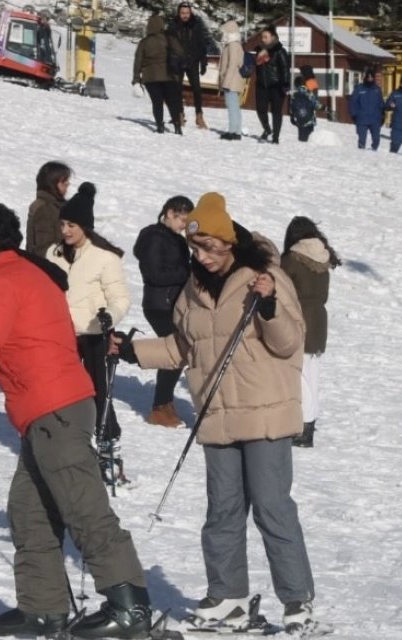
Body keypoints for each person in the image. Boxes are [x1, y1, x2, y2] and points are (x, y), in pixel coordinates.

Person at [0, 203, 153, 640]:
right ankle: (42, 609)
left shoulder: (4, 281)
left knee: (83, 507)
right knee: (28, 510)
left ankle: (128, 607)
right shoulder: (30, 273)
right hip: (49, 409)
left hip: (54, 408)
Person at [111, 193, 316, 633]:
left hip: (264, 413)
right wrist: (131, 350)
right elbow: (184, 348)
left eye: (209, 247)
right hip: (216, 414)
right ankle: (228, 597)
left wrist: (269, 306)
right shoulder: (193, 289)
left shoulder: (265, 276)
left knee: (272, 507)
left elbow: (288, 343)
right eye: (195, 248)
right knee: (222, 510)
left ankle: (297, 600)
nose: (202, 257)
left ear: (228, 241)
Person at [46, 183, 131, 486]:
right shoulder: (54, 253)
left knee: (98, 392)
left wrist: (110, 316)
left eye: (72, 225)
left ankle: (109, 449)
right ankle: (68, 446)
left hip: (95, 333)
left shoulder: (105, 258)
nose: (65, 230)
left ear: (85, 226)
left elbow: (120, 298)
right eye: (63, 224)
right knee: (63, 391)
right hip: (62, 335)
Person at [132, 196, 193, 428]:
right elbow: (154, 274)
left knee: (177, 352)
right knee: (173, 351)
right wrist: (185, 273)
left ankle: (164, 404)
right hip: (159, 305)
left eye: (187, 222)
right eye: (181, 219)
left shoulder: (176, 239)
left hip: (172, 303)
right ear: (169, 213)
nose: (183, 226)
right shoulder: (154, 237)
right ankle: (160, 407)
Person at [280, 217, 339, 449]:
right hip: (319, 321)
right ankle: (309, 424)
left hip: (298, 319)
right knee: (311, 375)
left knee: (300, 375)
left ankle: (303, 427)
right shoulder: (323, 258)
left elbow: (281, 288)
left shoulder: (291, 259)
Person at [134, 15, 185, 135]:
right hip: (168, 75)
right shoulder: (168, 38)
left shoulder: (144, 42)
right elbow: (181, 53)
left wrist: (136, 79)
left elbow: (138, 61)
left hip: (150, 76)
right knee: (172, 102)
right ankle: (177, 126)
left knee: (157, 102)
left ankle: (160, 126)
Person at [168, 2, 213, 130]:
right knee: (177, 89)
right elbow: (168, 45)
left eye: (187, 13)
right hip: (178, 62)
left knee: (197, 89)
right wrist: (169, 61)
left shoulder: (196, 25)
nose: (185, 15)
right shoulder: (173, 25)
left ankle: (199, 116)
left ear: (190, 13)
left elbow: (201, 44)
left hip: (192, 62)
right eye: (183, 13)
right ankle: (180, 114)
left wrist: (203, 62)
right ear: (179, 13)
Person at [251, 26, 291, 143]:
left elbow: (285, 69)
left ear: (273, 37)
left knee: (276, 112)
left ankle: (275, 137)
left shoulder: (280, 51)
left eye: (266, 37)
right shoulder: (259, 51)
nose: (263, 39)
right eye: (262, 37)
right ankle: (267, 129)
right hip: (262, 86)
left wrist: (285, 84)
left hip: (276, 86)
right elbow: (257, 67)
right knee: (260, 109)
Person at [26, 161, 71, 259]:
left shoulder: (58, 206)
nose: (68, 183)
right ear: (52, 183)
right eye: (64, 181)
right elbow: (43, 249)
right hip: (48, 266)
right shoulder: (43, 208)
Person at [216, 20, 247, 141]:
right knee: (234, 106)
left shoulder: (233, 45)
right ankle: (236, 131)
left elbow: (233, 64)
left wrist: (226, 82)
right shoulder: (233, 44)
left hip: (231, 81)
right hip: (234, 80)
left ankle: (233, 131)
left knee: (232, 107)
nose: (223, 34)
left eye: (224, 32)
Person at [348, 69, 384, 151]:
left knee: (376, 139)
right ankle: (362, 154)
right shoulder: (359, 89)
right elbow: (353, 102)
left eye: (371, 77)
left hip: (375, 119)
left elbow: (381, 103)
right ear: (365, 78)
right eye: (368, 77)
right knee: (362, 140)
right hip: (362, 119)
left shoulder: (377, 89)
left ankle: (373, 151)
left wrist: (382, 115)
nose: (370, 78)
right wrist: (354, 114)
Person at [289, 76, 320, 142]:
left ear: (296, 85)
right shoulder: (310, 93)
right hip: (310, 121)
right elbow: (316, 105)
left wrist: (292, 117)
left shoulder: (294, 95)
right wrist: (324, 108)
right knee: (309, 140)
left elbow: (292, 107)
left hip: (300, 121)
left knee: (302, 140)